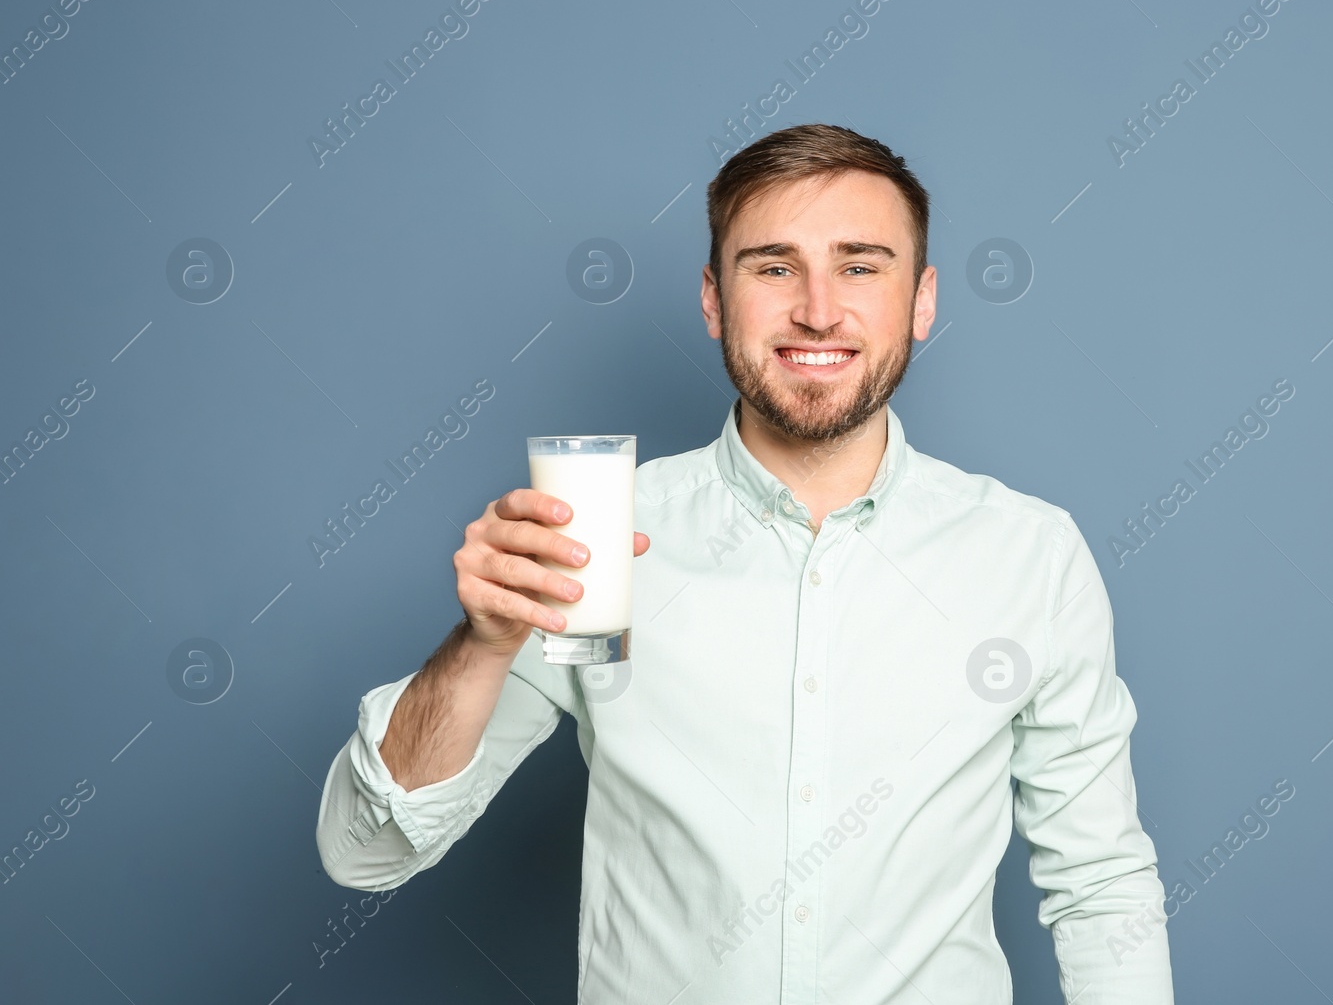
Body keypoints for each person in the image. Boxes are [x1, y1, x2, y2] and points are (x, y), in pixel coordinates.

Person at [315, 123, 1174, 1003]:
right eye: (772, 266)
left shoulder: (1027, 555)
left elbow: (1102, 885)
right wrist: (481, 644)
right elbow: (365, 851)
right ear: (713, 300)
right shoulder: (602, 539)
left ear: (921, 301)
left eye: (860, 265)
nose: (817, 309)